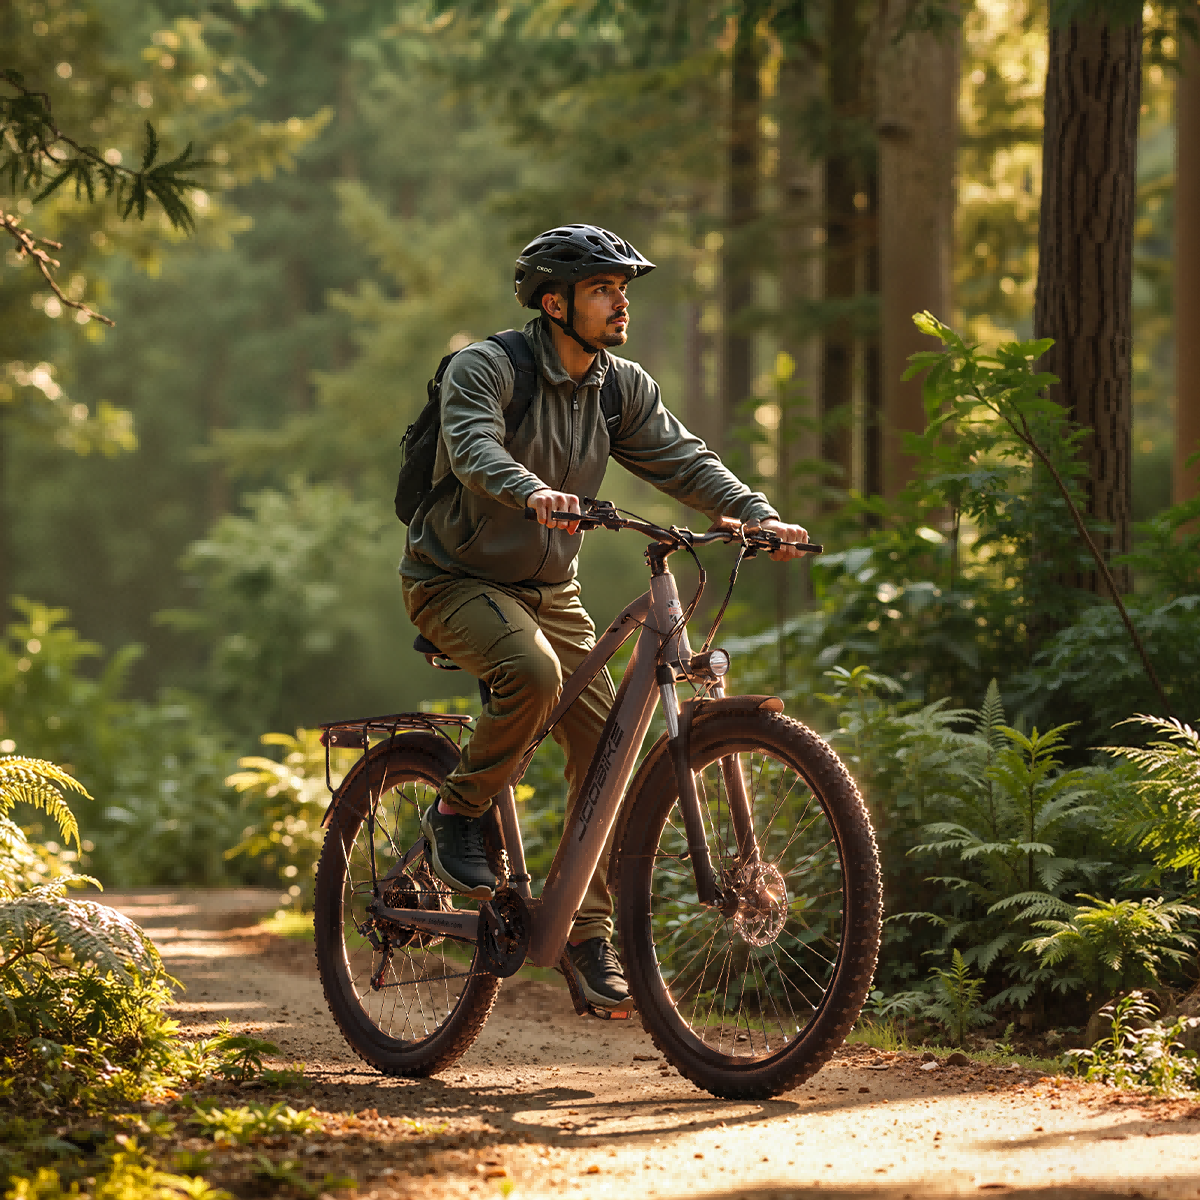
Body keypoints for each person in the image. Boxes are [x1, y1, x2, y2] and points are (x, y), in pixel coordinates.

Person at [400, 223, 809, 1008]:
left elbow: (682, 457)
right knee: (531, 671)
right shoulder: (487, 368)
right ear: (554, 303)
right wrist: (529, 490)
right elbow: (473, 447)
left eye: (623, 289)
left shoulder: (617, 384)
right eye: (602, 289)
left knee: (608, 738)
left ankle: (584, 936)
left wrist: (753, 513)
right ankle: (458, 808)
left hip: (551, 591)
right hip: (453, 578)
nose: (621, 302)